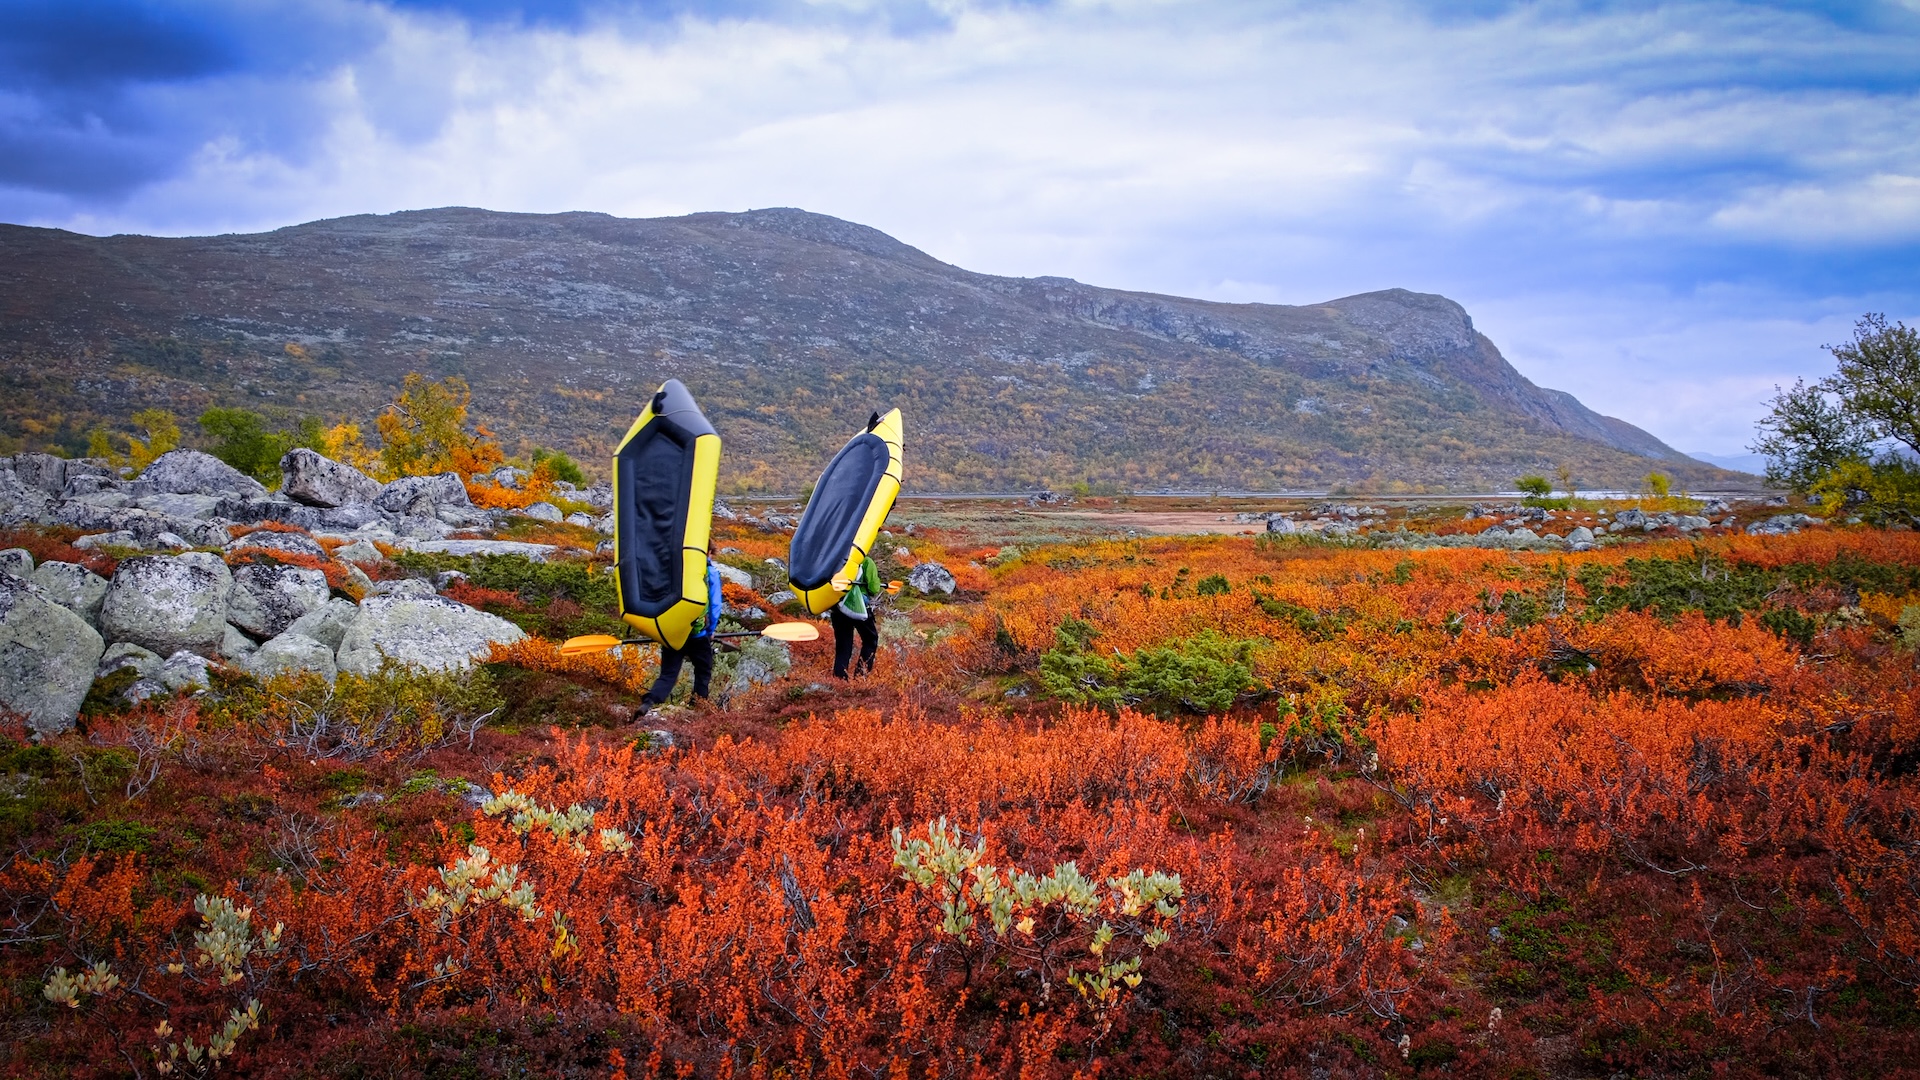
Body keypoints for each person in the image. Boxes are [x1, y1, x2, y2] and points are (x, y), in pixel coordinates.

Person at [639, 547, 723, 714]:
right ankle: (698, 707)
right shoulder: (709, 572)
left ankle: (649, 702)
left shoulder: (675, 568)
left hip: (673, 632)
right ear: (707, 552)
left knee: (668, 674)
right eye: (712, 553)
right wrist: (711, 629)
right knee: (703, 670)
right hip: (698, 634)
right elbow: (715, 605)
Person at [830, 553, 881, 678]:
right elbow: (874, 588)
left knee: (843, 644)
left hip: (838, 608)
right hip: (860, 609)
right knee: (870, 640)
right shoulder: (866, 562)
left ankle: (839, 680)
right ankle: (860, 677)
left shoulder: (836, 560)